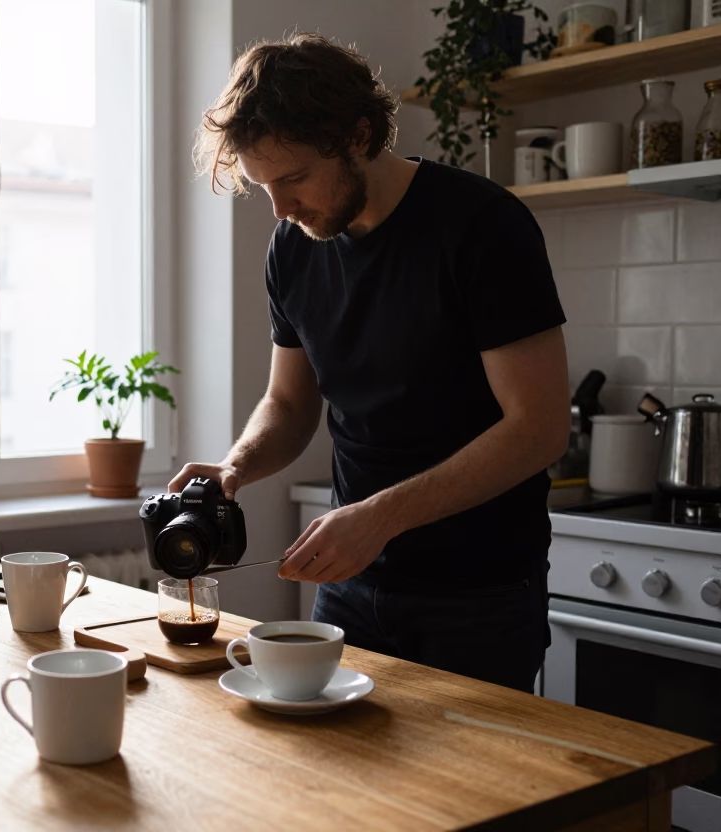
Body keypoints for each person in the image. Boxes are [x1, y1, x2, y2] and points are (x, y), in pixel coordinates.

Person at [171, 34, 570, 693]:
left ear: (358, 136)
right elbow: (290, 404)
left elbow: (539, 428)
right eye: (263, 186)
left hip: (478, 596)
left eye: (294, 178)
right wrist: (236, 466)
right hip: (350, 588)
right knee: (341, 787)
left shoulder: (482, 227)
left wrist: (379, 516)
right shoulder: (294, 248)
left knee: (475, 796)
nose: (281, 208)